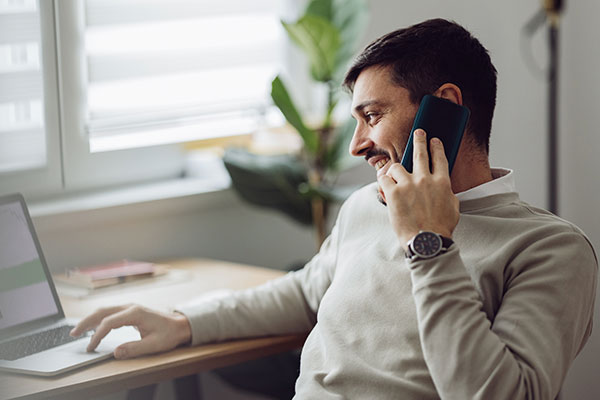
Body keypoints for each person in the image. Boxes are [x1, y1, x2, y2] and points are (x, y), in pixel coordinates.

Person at [71, 19, 597, 399]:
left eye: (372, 115)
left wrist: (428, 242)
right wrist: (183, 321)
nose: (356, 145)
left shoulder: (550, 250)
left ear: (447, 108)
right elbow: (305, 291)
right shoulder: (368, 207)